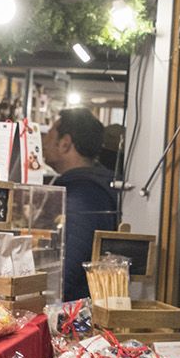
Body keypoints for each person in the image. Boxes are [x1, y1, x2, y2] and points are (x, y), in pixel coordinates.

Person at [41, 108, 119, 301]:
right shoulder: (95, 185)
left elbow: (66, 269)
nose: (43, 142)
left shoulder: (82, 196)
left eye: (49, 136)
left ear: (65, 143)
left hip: (73, 314)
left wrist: (45, 302)